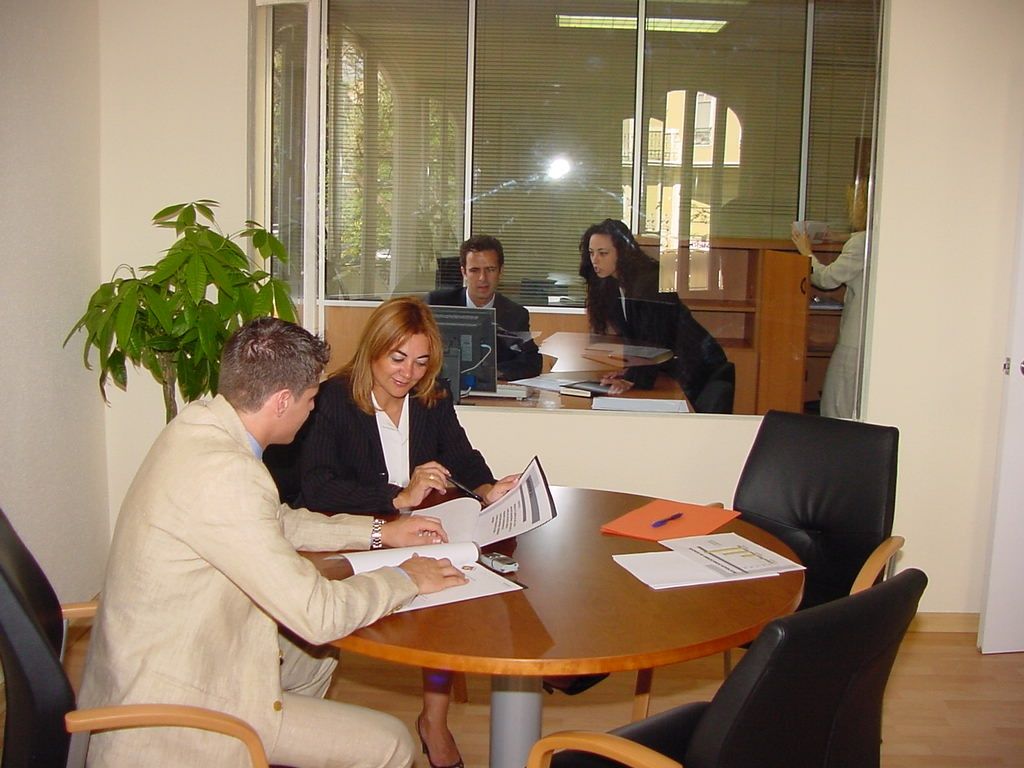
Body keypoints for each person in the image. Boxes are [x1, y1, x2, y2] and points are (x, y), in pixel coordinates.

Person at [78, 317, 468, 768]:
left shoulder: (200, 430)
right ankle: (257, 742)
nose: (312, 410)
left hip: (173, 650)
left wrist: (383, 532)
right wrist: (406, 578)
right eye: (310, 400)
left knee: (314, 658)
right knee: (391, 742)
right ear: (283, 401)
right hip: (174, 710)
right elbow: (319, 614)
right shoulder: (228, 475)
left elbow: (277, 521)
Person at [297, 296, 519, 768]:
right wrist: (396, 499)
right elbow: (317, 490)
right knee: (436, 585)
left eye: (421, 361)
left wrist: (487, 486)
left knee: (453, 589)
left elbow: (460, 452)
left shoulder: (430, 394)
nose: (409, 373)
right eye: (397, 358)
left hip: (416, 527)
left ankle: (433, 720)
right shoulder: (332, 399)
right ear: (372, 350)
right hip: (360, 528)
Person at [578, 218, 728, 404]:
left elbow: (655, 338)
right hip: (672, 366)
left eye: (603, 253)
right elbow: (637, 339)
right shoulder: (612, 283)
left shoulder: (650, 280)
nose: (595, 260)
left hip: (698, 364)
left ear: (623, 253)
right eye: (591, 253)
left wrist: (634, 379)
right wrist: (629, 372)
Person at [791, 182, 869, 418]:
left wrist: (807, 253)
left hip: (854, 343)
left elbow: (827, 280)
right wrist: (842, 236)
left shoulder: (861, 243)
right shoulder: (879, 239)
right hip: (871, 339)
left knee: (837, 405)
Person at [427, 234, 542, 381]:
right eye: (474, 270)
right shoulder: (437, 304)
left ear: (501, 271)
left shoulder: (515, 314)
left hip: (492, 396)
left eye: (490, 269)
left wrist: (492, 374)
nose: (482, 278)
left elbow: (531, 362)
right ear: (464, 272)